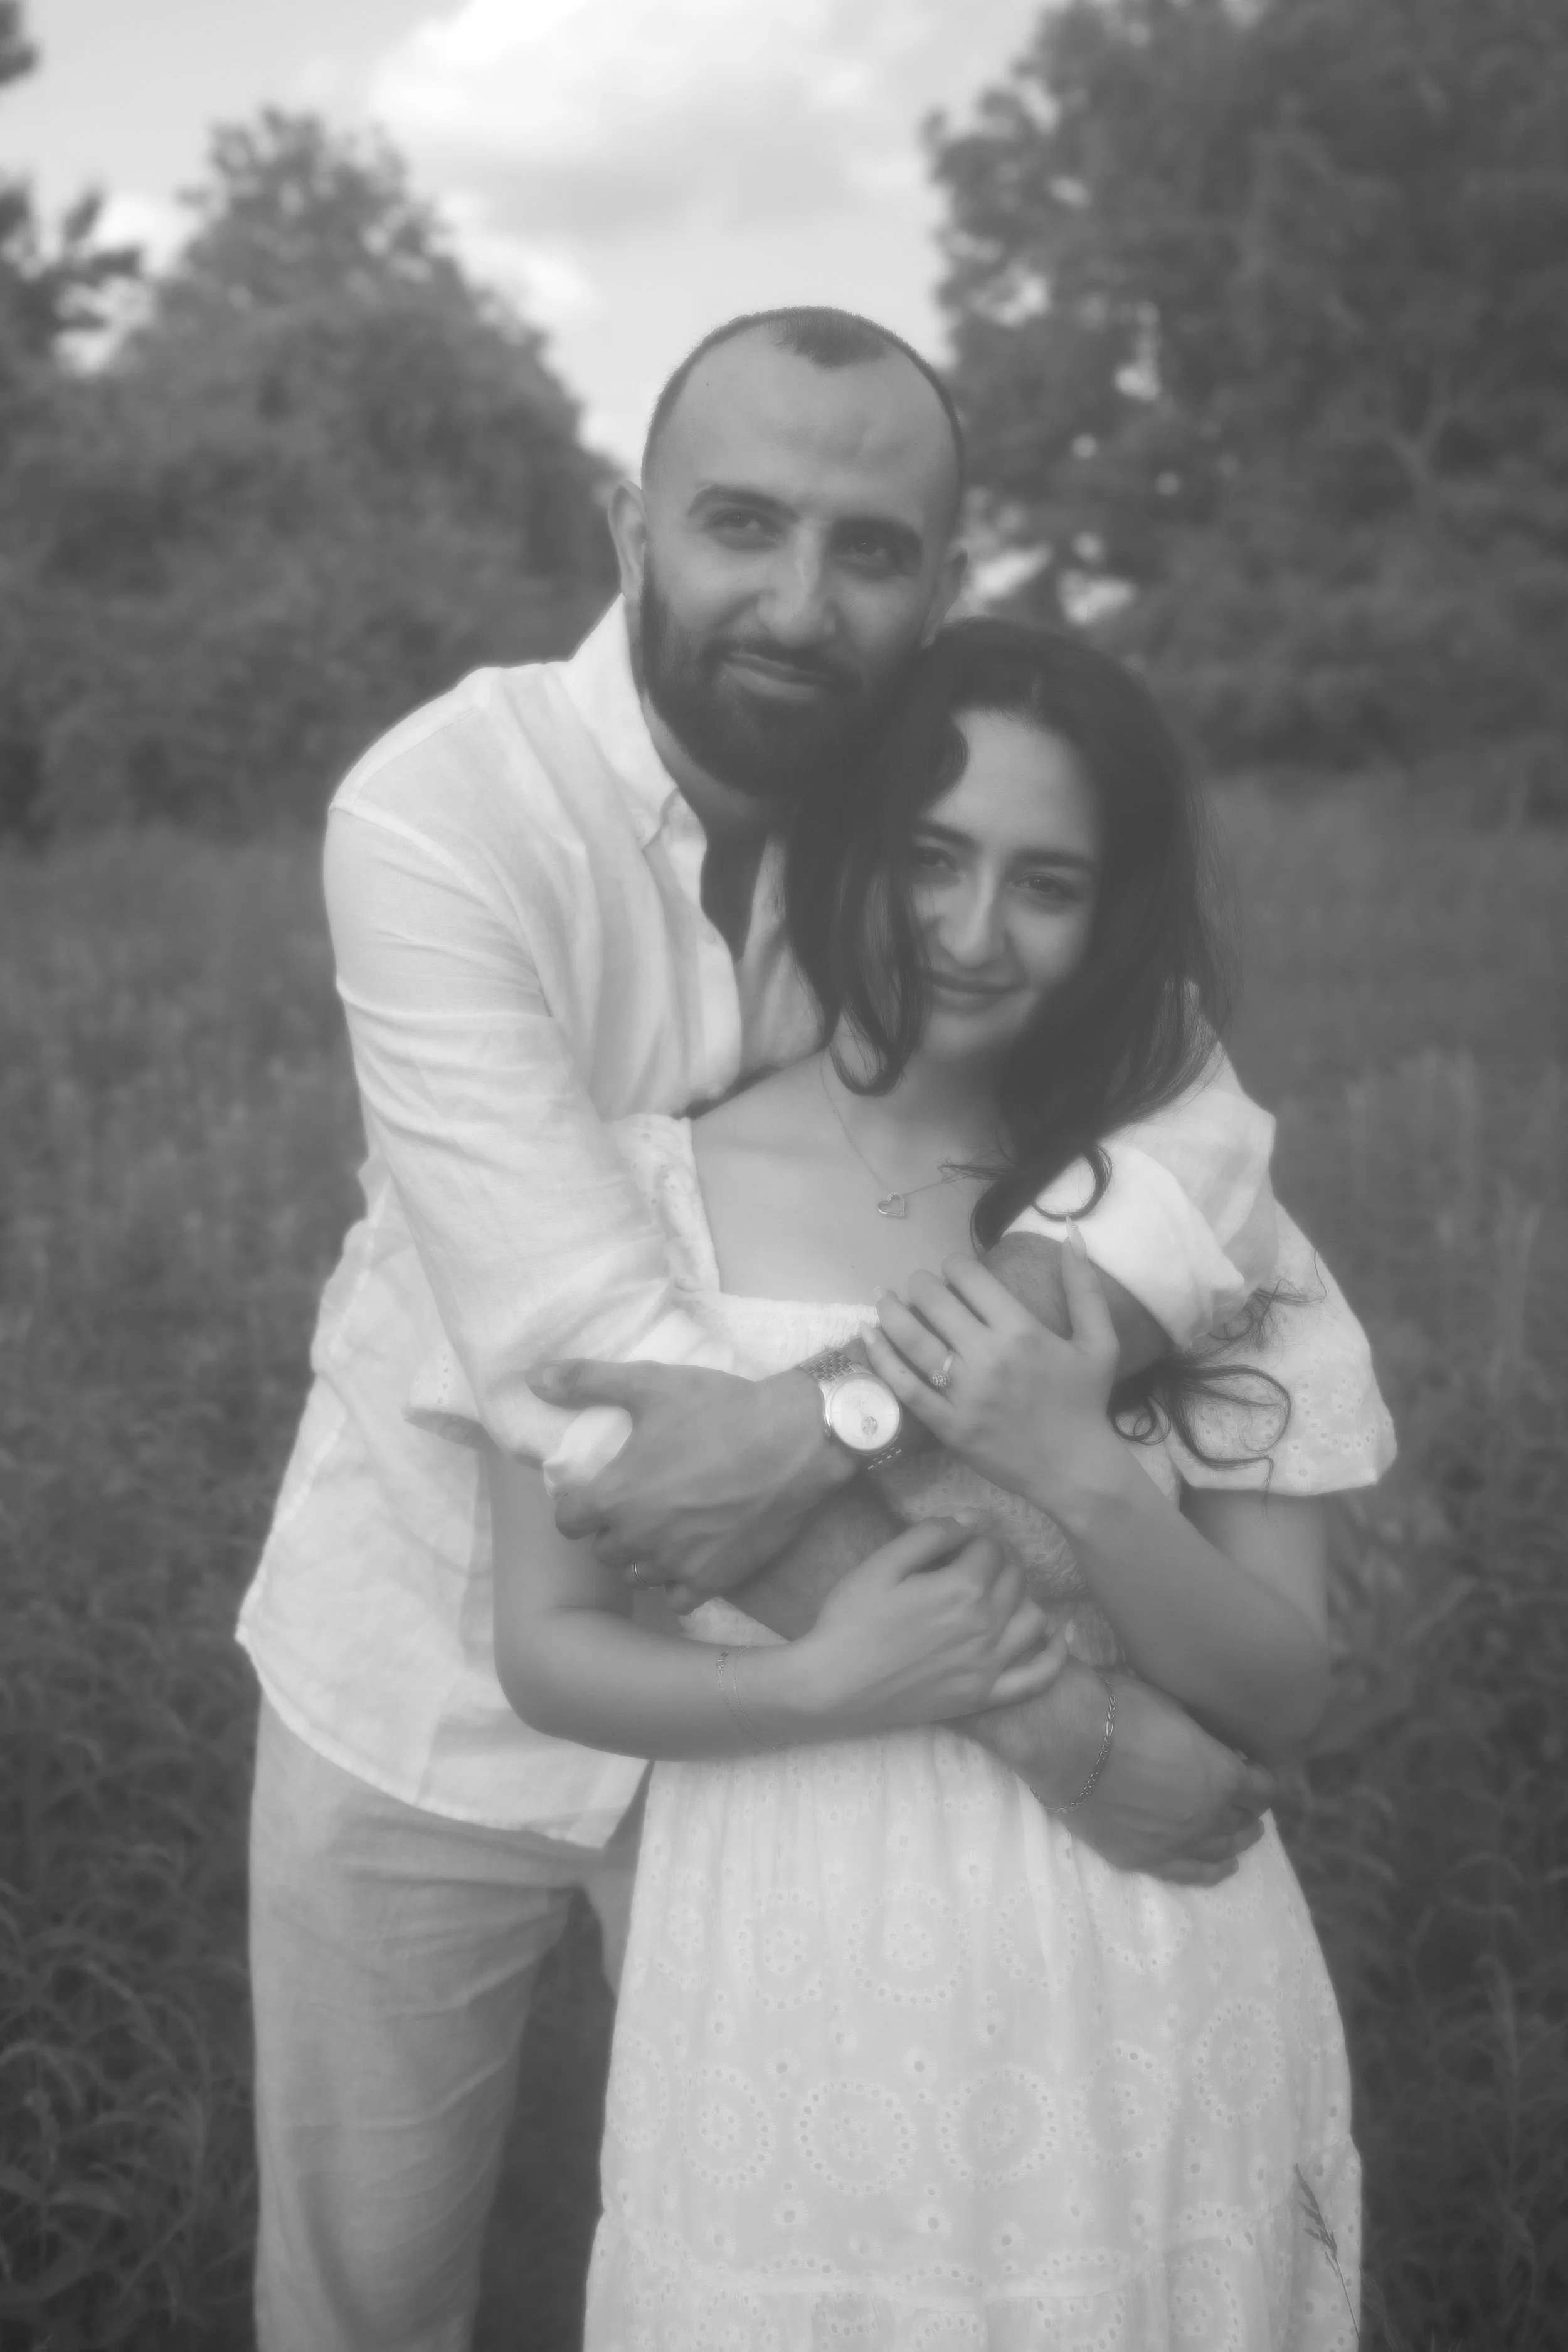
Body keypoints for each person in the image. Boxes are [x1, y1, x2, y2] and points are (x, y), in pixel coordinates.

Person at [241, 308, 1300, 2349]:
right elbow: (590, 1365)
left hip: (814, 1764)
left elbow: (1198, 1139)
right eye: (741, 523)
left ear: (942, 581)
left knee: (810, 2250)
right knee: (366, 2287)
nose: (799, 603)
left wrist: (824, 1426)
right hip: (435, 1659)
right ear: (629, 525)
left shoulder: (929, 830)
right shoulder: (445, 810)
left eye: (868, 549)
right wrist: (1056, 1728)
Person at [487, 618, 1392, 2348]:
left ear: (1114, 911)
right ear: (841, 847)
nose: (975, 931)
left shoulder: (1192, 1224)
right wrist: (814, 1685)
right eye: (929, 858)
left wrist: (1083, 1472)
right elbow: (546, 1646)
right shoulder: (639, 1197)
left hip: (1145, 1954)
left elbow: (1284, 1694)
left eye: (1047, 883)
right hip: (785, 1967)